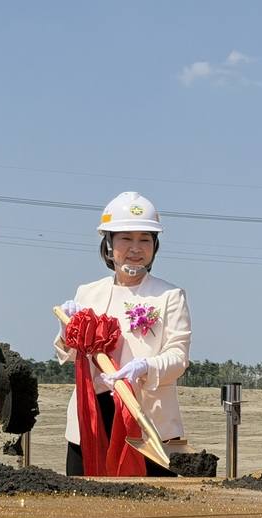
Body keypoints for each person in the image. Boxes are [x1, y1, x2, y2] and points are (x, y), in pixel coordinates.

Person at [55, 191, 191, 476]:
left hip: (147, 422)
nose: (135, 248)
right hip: (91, 422)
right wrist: (67, 330)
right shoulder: (87, 292)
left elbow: (178, 357)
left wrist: (145, 366)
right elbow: (67, 355)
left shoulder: (170, 295)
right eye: (125, 238)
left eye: (145, 239)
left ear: (155, 246)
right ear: (108, 244)